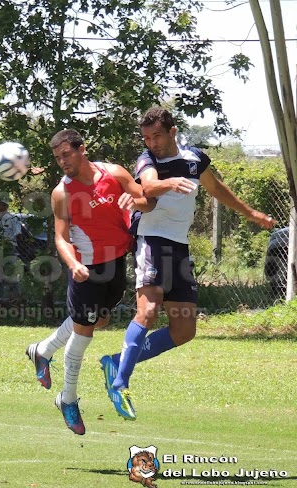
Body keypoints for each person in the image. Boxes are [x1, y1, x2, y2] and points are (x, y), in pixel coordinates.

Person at [99, 106, 276, 421]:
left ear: (172, 132)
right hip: (151, 241)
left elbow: (216, 188)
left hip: (178, 248)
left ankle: (116, 360)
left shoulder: (195, 159)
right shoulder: (147, 161)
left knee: (184, 330)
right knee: (148, 310)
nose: (151, 142)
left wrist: (251, 213)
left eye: (156, 136)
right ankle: (119, 383)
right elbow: (149, 186)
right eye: (146, 137)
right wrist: (170, 184)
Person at [25, 129, 155, 435]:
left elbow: (146, 202)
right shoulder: (62, 193)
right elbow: (60, 237)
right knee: (84, 332)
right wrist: (72, 264)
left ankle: (42, 350)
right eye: (58, 158)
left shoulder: (115, 173)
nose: (63, 162)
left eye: (66, 154)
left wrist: (136, 201)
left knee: (96, 322)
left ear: (82, 149)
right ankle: (67, 398)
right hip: (85, 267)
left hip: (116, 262)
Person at [0, 199, 23, 297]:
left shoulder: (13, 218)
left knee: (11, 271)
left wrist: (10, 242)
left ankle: (16, 295)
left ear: (6, 206)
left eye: (2, 205)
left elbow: (18, 234)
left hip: (9, 247)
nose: (0, 207)